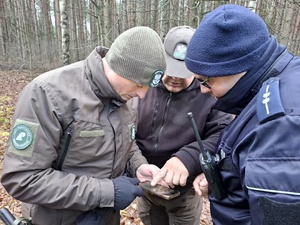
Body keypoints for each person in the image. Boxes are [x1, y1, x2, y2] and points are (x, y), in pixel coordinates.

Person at [0, 26, 167, 225]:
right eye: (140, 85)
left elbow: (127, 145)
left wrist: (138, 166)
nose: (142, 95)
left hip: (105, 218)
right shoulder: (47, 93)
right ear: (119, 67)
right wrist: (108, 192)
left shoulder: (127, 98)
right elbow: (23, 178)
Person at [185, 4, 300, 225]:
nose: (202, 90)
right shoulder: (276, 84)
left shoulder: (280, 126)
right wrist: (230, 181)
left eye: (207, 80)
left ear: (237, 68)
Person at [135, 26, 233, 225]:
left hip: (184, 193)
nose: (175, 78)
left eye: (183, 72)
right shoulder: (143, 86)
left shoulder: (209, 92)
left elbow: (223, 136)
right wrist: (137, 164)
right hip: (145, 187)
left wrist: (187, 158)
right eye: (170, 70)